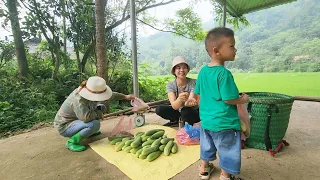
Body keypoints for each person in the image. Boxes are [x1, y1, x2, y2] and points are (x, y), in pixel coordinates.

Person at [186, 27, 249, 180]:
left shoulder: (203, 71)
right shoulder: (224, 74)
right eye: (232, 46)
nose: (235, 49)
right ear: (217, 51)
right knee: (227, 149)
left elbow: (197, 90)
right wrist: (243, 99)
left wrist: (191, 97)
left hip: (207, 122)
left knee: (207, 147)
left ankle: (204, 169)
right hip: (225, 123)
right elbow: (229, 99)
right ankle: (225, 175)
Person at [53, 76, 135, 152]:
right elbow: (86, 118)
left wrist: (125, 96)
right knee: (94, 124)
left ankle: (88, 132)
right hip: (65, 126)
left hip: (77, 119)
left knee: (101, 107)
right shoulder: (79, 100)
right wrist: (99, 113)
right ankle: (72, 142)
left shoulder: (89, 90)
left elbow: (111, 95)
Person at [155, 56, 200, 127]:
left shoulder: (194, 82)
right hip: (178, 109)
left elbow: (191, 98)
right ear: (174, 71)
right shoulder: (170, 85)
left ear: (187, 70)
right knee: (159, 109)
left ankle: (186, 120)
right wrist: (179, 99)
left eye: (184, 68)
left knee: (186, 111)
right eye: (178, 68)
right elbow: (174, 106)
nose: (182, 70)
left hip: (192, 111)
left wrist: (190, 101)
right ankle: (176, 120)